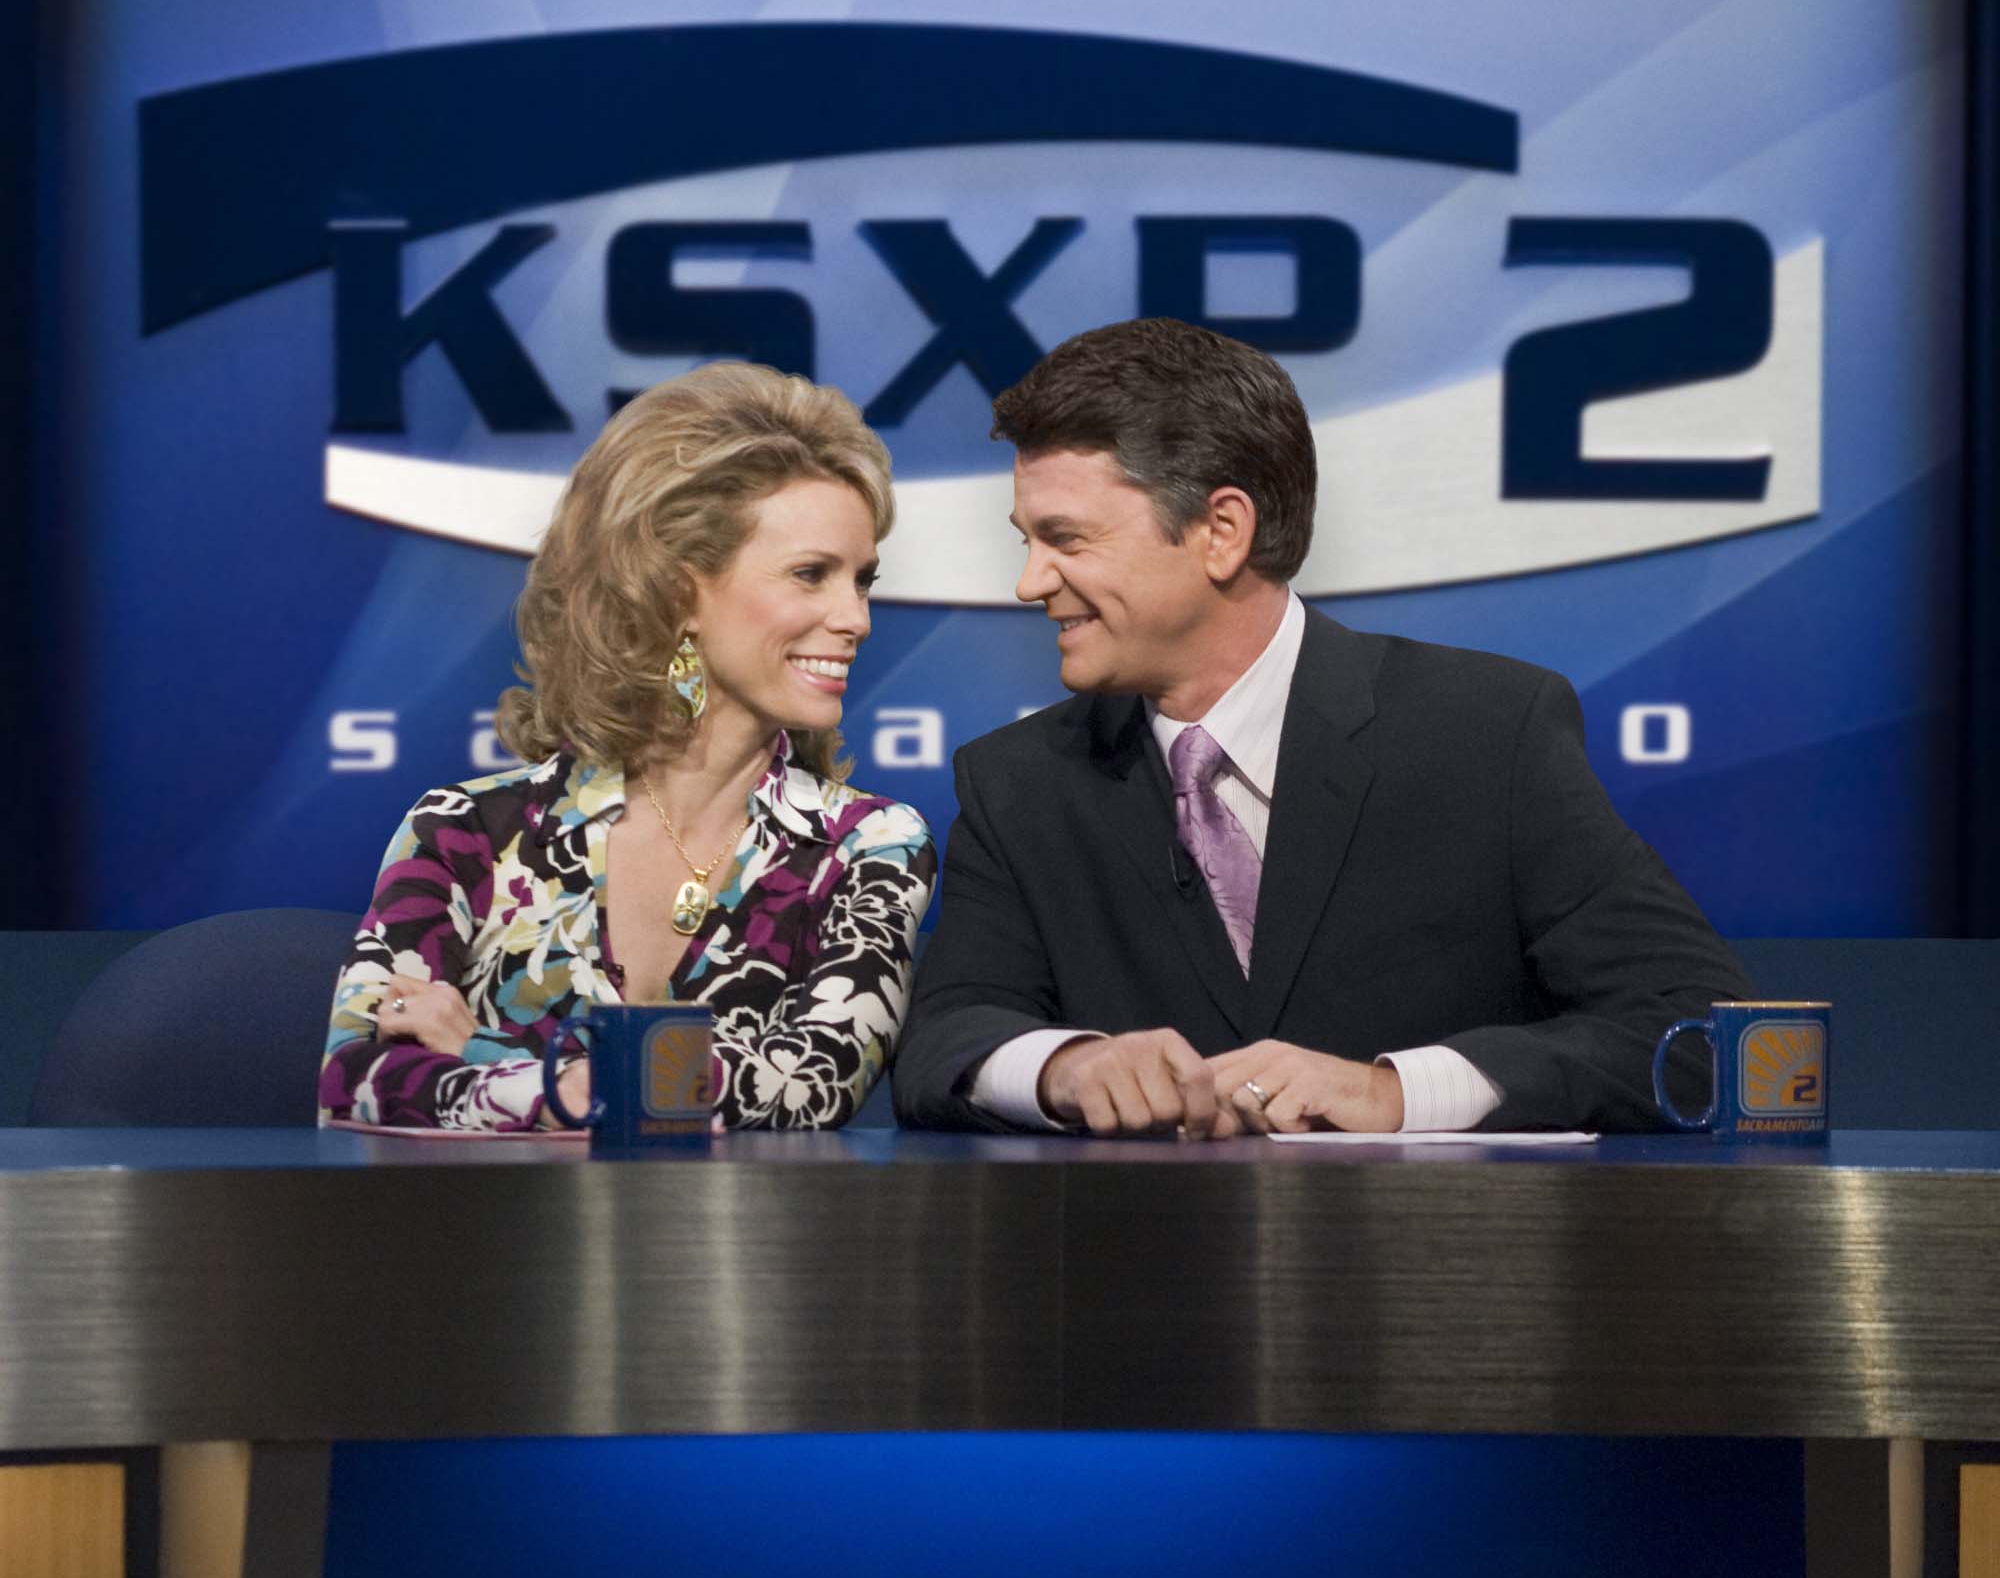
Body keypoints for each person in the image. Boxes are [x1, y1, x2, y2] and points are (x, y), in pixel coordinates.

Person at [891, 317, 1749, 1137]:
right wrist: (1067, 1068)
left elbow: (1707, 1036)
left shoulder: (1487, 735)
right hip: (1142, 1243)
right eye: (1028, 541)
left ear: (1222, 532)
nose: (1030, 582)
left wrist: (1396, 1090)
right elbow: (943, 1042)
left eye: (1066, 539)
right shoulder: (1018, 784)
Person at [321, 365, 936, 1132]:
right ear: (677, 592)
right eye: (811, 575)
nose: (856, 618)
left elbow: (807, 1088)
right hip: (500, 1216)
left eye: (862, 580)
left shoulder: (869, 847)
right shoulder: (462, 830)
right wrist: (588, 1088)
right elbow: (353, 1083)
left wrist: (488, 1056)